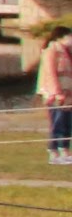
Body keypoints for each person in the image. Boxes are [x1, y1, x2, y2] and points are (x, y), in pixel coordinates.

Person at [39, 24, 72, 163]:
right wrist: (57, 93)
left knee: (67, 123)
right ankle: (54, 152)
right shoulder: (51, 51)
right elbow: (50, 73)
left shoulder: (67, 51)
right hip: (55, 95)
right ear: (60, 38)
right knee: (57, 123)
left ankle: (65, 150)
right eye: (69, 36)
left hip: (68, 94)